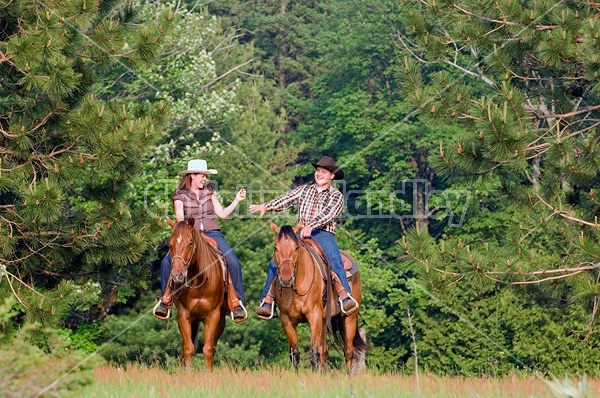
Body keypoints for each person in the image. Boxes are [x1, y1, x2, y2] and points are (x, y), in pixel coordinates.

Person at [249, 155, 359, 319]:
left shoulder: (336, 196)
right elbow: (286, 199)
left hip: (323, 233)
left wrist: (311, 225)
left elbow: (328, 214)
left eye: (323, 172)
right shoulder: (304, 189)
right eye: (318, 171)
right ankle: (268, 300)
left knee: (333, 257)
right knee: (276, 260)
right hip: (300, 234)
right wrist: (266, 206)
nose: (319, 174)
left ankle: (345, 297)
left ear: (332, 176)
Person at [153, 159, 248, 322]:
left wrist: (237, 200)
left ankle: (236, 302)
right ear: (192, 176)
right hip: (191, 236)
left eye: (205, 176)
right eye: (202, 176)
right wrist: (189, 234)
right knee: (166, 262)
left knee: (233, 261)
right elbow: (180, 220)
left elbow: (223, 214)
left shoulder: (209, 192)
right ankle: (166, 301)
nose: (204, 179)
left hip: (213, 233)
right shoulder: (179, 196)